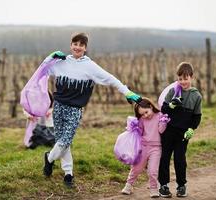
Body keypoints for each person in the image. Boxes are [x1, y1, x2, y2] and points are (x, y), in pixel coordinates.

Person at [41, 32, 142, 187]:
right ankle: (68, 174)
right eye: (75, 44)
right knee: (62, 142)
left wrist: (127, 92)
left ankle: (49, 158)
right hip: (59, 106)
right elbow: (41, 71)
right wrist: (50, 57)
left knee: (65, 140)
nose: (77, 47)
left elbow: (110, 78)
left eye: (81, 45)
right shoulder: (60, 63)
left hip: (75, 109)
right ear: (71, 45)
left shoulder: (90, 66)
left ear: (85, 48)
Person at [158, 62, 202, 197]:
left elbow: (197, 117)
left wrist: (192, 129)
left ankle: (181, 186)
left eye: (185, 78)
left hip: (183, 134)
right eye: (180, 78)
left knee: (179, 159)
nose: (182, 81)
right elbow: (163, 109)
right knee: (164, 157)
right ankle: (163, 185)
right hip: (168, 131)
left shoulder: (196, 96)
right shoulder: (173, 91)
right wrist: (170, 105)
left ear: (191, 77)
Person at [121, 98, 170, 198]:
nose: (145, 115)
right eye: (142, 114)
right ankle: (129, 185)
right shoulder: (142, 119)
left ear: (151, 107)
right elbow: (140, 132)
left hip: (156, 148)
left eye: (146, 112)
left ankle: (153, 188)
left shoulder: (160, 115)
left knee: (152, 170)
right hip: (143, 146)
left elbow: (161, 131)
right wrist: (134, 127)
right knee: (136, 168)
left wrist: (163, 122)